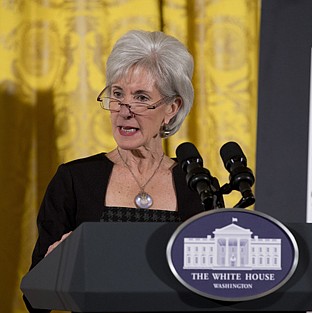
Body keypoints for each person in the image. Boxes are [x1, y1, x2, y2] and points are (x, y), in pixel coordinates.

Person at [24, 30, 204, 313]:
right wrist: (53, 267)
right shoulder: (74, 180)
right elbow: (35, 301)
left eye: (141, 97)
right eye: (117, 94)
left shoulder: (196, 185)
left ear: (172, 108)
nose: (124, 110)